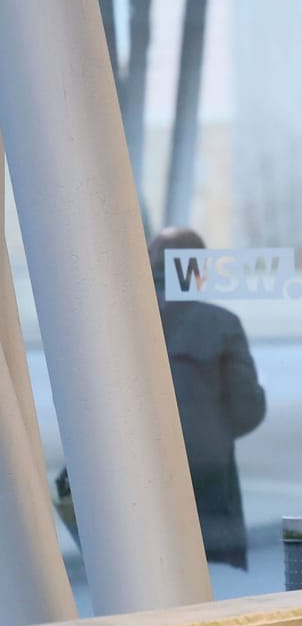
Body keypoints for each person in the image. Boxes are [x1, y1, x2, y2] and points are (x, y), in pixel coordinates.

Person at [58, 226, 268, 569]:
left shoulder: (118, 321)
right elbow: (247, 408)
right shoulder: (221, 324)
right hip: (207, 475)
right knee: (209, 576)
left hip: (134, 470)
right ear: (197, 271)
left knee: (144, 570)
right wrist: (209, 429)